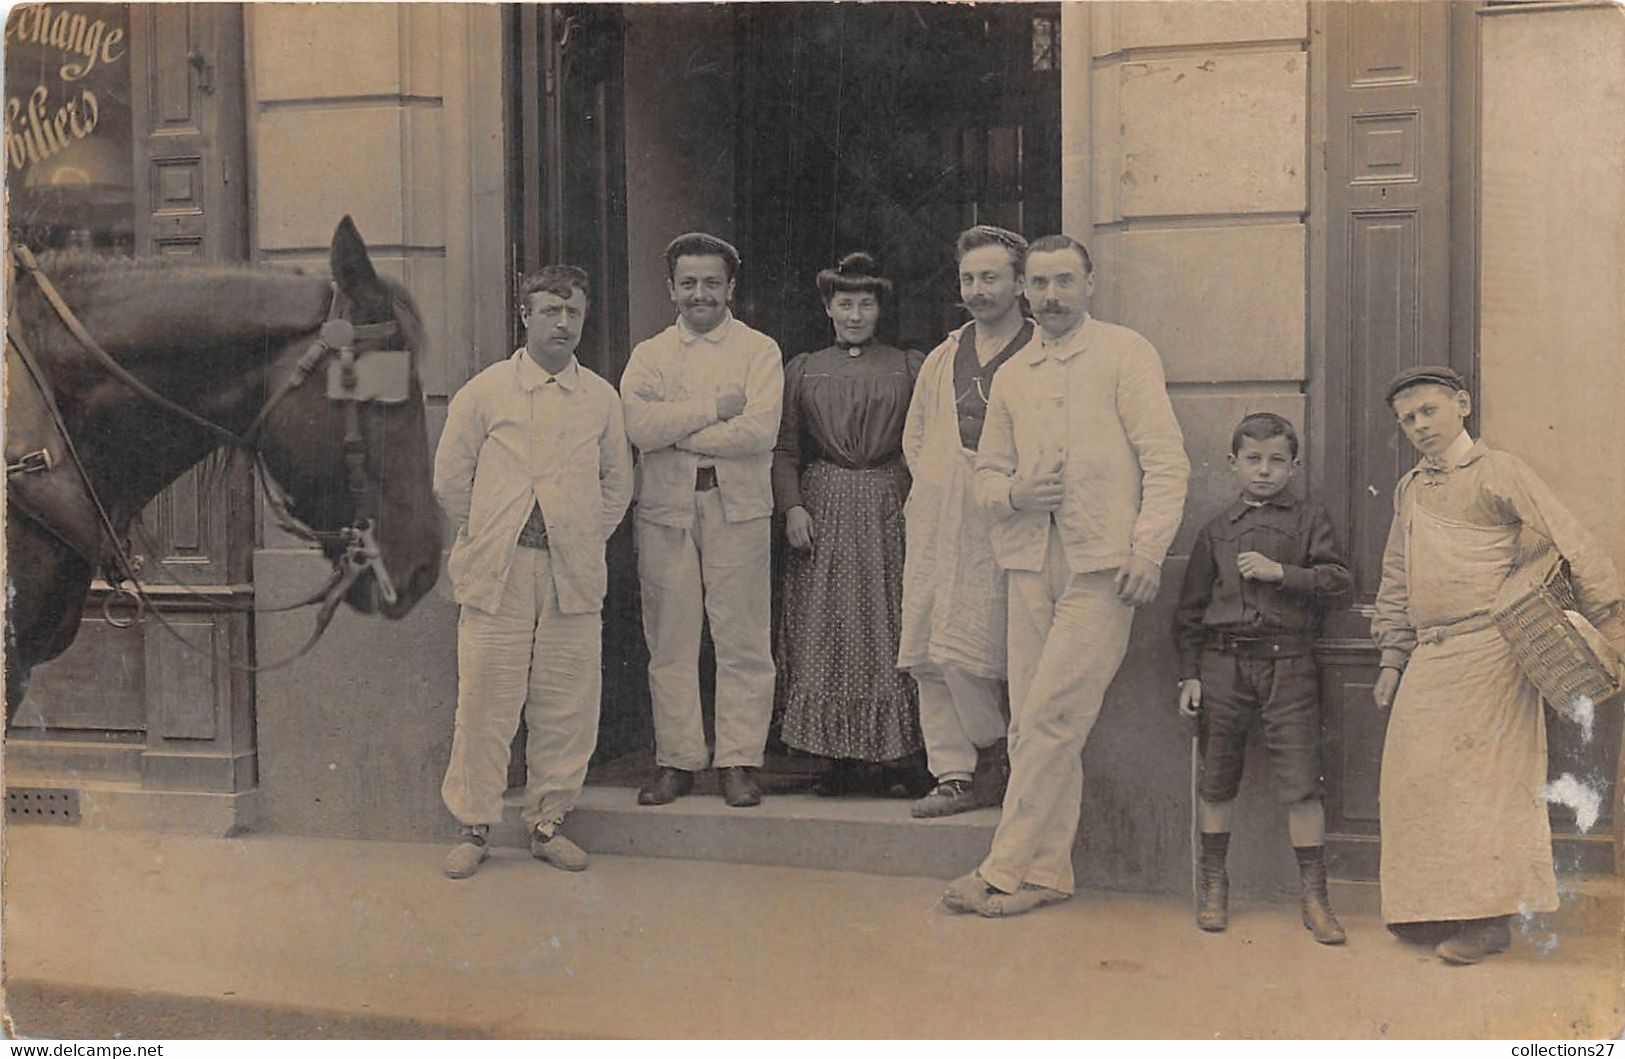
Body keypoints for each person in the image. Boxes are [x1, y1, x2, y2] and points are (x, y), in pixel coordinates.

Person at [944, 234, 1189, 917]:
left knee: (1051, 716)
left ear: (1089, 284)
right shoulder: (1015, 375)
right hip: (1027, 565)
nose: (1050, 297)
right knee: (1033, 723)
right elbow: (984, 478)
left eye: (1063, 282)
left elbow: (1166, 463)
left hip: (1101, 569)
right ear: (1024, 290)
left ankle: (1002, 869)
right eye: (1040, 285)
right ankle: (1048, 872)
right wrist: (1018, 493)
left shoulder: (1123, 353)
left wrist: (1145, 551)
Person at [1372, 366, 1625, 964]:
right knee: (1414, 777)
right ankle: (1429, 906)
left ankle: (1488, 921)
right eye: (1408, 420)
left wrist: (1612, 623)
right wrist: (1390, 656)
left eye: (1429, 411)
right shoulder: (1410, 487)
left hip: (1491, 648)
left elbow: (1571, 540)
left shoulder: (1499, 472)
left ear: (1461, 405)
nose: (1419, 427)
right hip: (1431, 653)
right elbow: (1395, 575)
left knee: (1485, 787)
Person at [435, 265, 634, 879]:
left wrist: (572, 532)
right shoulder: (486, 391)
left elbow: (616, 485)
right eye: (550, 311)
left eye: (573, 312)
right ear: (525, 316)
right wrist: (500, 527)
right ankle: (475, 825)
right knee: (486, 700)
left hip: (570, 572)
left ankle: (548, 824)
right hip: (499, 571)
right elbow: (450, 479)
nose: (563, 323)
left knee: (567, 701)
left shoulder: (600, 397)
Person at [1171, 412, 1351, 943]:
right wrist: (1190, 677)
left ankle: (1315, 897)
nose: (1265, 471)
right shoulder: (1216, 531)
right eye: (1254, 459)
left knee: (1302, 784)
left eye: (1277, 460)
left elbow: (1339, 582)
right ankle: (1213, 886)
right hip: (1222, 668)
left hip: (1289, 665)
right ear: (1234, 464)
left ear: (1293, 466)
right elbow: (1188, 614)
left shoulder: (1309, 520)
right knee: (1216, 779)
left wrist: (1282, 574)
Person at [620, 233, 785, 809]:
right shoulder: (650, 355)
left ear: (730, 287)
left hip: (736, 507)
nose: (700, 294)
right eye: (688, 283)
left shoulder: (759, 351)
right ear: (671, 289)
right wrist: (713, 411)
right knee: (670, 638)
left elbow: (759, 431)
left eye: (711, 282)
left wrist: (677, 433)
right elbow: (638, 428)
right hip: (665, 510)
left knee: (742, 636)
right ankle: (678, 759)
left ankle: (738, 760)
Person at [773, 252, 927, 797]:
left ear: (879, 309)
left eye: (865, 304)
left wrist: (913, 502)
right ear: (827, 307)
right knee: (826, 623)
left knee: (889, 621)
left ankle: (898, 758)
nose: (855, 314)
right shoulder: (804, 368)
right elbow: (786, 447)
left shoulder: (909, 365)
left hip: (889, 498)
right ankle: (837, 758)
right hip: (825, 503)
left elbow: (925, 443)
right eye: (845, 303)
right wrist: (793, 506)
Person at [899, 225, 1033, 817]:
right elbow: (918, 437)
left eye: (991, 277)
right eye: (968, 279)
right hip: (940, 517)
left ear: (1020, 283)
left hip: (1006, 520)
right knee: (931, 647)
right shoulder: (944, 355)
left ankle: (1004, 757)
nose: (978, 290)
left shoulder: (1036, 350)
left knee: (986, 643)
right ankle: (952, 771)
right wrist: (944, 485)